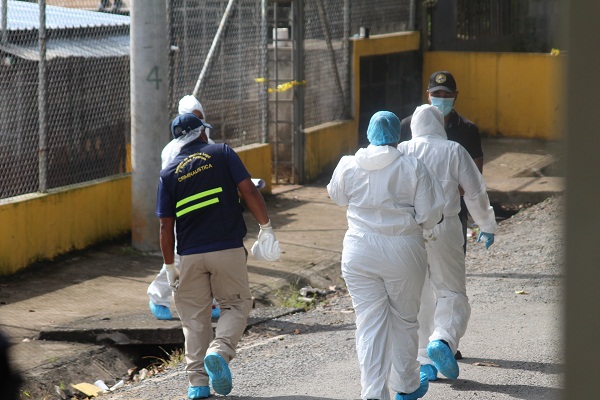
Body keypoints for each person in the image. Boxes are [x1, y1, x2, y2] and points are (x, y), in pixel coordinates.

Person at [156, 113, 281, 399]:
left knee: (195, 320)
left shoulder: (168, 173)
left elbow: (165, 225)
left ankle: (198, 385)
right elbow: (248, 190)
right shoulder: (221, 152)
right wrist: (266, 227)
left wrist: (168, 266)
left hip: (189, 255)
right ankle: (219, 352)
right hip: (226, 249)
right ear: (202, 133)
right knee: (236, 307)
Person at [327, 111, 445, 400]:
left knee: (369, 324)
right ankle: (405, 387)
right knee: (404, 320)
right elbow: (430, 215)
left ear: (368, 134)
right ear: (396, 135)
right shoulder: (412, 167)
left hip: (359, 251)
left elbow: (337, 196)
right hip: (402, 250)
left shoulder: (348, 165)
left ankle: (373, 393)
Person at [398, 104, 497, 382]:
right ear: (439, 125)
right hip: (446, 227)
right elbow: (474, 191)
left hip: (411, 231)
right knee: (451, 291)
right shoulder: (453, 150)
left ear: (414, 126)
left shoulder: (403, 151)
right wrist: (486, 224)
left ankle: (423, 361)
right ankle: (442, 340)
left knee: (419, 294)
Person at [148, 95, 220, 321]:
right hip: (184, 211)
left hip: (207, 210)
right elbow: (169, 184)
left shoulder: (211, 146)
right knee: (180, 257)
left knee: (210, 256)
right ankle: (157, 296)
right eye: (192, 118)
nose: (197, 124)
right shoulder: (171, 150)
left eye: (199, 118)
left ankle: (210, 302)